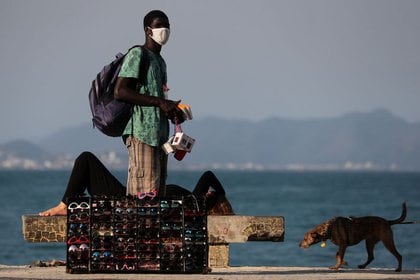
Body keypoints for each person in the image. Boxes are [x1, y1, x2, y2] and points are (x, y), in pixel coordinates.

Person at [114, 10, 183, 197]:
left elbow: (157, 99)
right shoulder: (138, 54)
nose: (164, 29)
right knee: (143, 195)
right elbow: (120, 91)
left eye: (167, 25)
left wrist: (172, 111)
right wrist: (159, 101)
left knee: (156, 195)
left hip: (160, 137)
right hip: (142, 133)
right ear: (147, 30)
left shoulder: (160, 61)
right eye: (159, 25)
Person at [39, 152, 234, 216]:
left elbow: (208, 175)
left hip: (125, 199)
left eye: (210, 193)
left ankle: (64, 205)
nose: (207, 192)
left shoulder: (195, 200)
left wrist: (221, 193)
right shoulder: (193, 207)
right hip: (127, 204)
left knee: (86, 159)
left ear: (211, 200)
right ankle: (68, 205)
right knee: (87, 165)